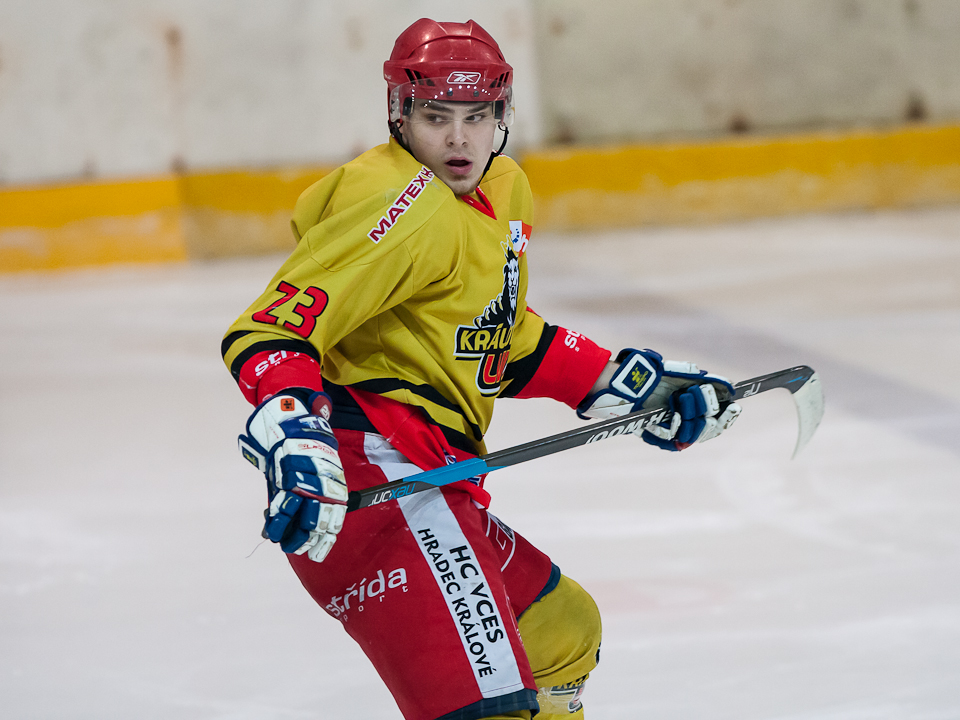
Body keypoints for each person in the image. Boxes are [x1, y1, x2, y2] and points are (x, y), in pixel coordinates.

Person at [222, 18, 741, 720]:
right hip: (375, 481)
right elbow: (271, 330)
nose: (459, 140)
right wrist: (290, 425)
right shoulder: (401, 207)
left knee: (561, 633)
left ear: (503, 114)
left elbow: (500, 338)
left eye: (477, 117)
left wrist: (616, 382)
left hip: (433, 476)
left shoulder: (504, 189)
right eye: (436, 118)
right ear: (400, 114)